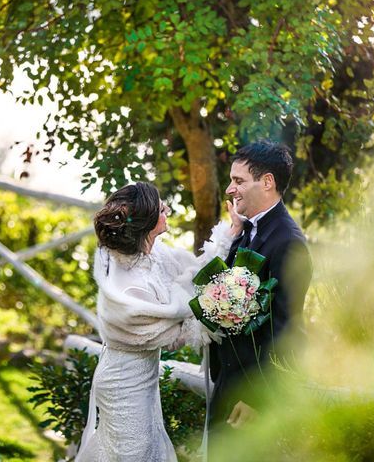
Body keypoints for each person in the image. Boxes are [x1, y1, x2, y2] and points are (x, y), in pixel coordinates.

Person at [75, 181, 234, 462]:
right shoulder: (130, 289)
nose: (168, 210)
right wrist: (215, 312)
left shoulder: (153, 253)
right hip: (124, 383)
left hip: (143, 378)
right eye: (163, 208)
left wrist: (228, 236)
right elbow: (173, 337)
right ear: (149, 222)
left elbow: (194, 273)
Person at [208, 141, 313, 457]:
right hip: (226, 381)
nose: (230, 189)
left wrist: (258, 399)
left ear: (267, 182)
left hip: (253, 397)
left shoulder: (289, 243)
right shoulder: (244, 232)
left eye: (238, 181)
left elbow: (287, 330)